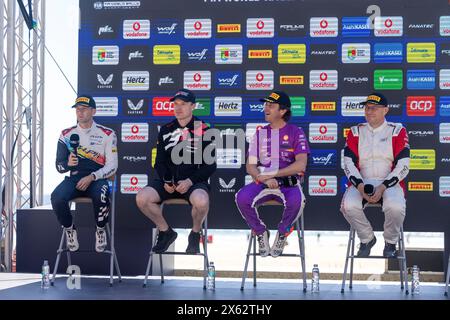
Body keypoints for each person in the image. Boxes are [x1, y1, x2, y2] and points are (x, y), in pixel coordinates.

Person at [136, 89, 216, 254]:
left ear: (193, 106)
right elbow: (159, 161)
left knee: (201, 202)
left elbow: (210, 166)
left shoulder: (205, 130)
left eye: (183, 104)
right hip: (169, 183)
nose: (178, 108)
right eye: (175, 104)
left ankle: (195, 234)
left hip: (193, 182)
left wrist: (190, 182)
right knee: (142, 198)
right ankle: (166, 232)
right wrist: (166, 180)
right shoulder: (166, 129)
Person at [235, 91, 309, 257]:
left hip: (288, 184)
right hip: (264, 182)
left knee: (298, 201)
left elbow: (301, 164)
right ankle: (261, 231)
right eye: (265, 104)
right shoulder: (260, 133)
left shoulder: (296, 132)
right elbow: (250, 165)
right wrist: (262, 177)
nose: (266, 108)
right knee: (241, 197)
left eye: (271, 105)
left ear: (282, 111)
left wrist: (274, 174)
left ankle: (282, 233)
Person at [341, 92, 410, 258]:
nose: (369, 111)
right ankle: (367, 239)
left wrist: (383, 186)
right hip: (362, 181)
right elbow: (348, 163)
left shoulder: (397, 131)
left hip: (390, 183)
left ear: (385, 110)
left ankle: (390, 241)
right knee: (348, 206)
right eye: (366, 108)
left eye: (374, 108)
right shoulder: (355, 131)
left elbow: (403, 166)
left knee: (396, 207)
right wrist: (360, 185)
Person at [51, 95, 118, 253]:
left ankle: (100, 230)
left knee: (102, 195)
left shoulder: (107, 133)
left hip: (97, 178)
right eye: (77, 109)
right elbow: (59, 166)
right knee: (57, 197)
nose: (80, 113)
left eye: (84, 109)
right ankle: (69, 229)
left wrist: (92, 177)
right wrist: (67, 164)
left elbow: (113, 165)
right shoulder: (66, 134)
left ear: (93, 111)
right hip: (74, 178)